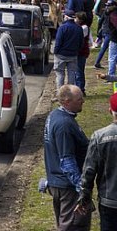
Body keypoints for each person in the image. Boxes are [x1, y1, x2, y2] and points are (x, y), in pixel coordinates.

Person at [44, 84, 90, 231]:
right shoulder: (64, 125)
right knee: (73, 226)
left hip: (57, 182)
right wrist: (81, 189)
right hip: (68, 187)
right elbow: (67, 160)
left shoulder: (55, 115)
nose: (82, 101)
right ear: (66, 102)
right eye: (79, 99)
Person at [77, 92, 117, 229]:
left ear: (110, 111)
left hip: (109, 199)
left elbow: (89, 171)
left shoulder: (99, 137)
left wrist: (84, 196)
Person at [53, 10, 83, 88]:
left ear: (66, 17)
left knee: (60, 74)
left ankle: (60, 93)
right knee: (72, 74)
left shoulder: (62, 28)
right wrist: (77, 51)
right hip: (73, 55)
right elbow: (81, 43)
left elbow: (58, 42)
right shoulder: (79, 28)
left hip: (61, 54)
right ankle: (71, 93)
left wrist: (55, 52)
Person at [94, 0, 116, 69]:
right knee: (105, 48)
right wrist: (98, 32)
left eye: (108, 6)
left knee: (107, 48)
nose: (107, 7)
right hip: (108, 32)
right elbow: (100, 22)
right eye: (106, 5)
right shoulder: (107, 12)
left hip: (108, 32)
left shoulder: (112, 13)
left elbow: (100, 22)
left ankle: (97, 62)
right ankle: (97, 62)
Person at [75, 12, 91, 93]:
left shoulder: (84, 28)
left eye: (76, 18)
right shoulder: (80, 27)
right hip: (78, 52)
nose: (75, 19)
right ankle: (77, 87)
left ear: (81, 20)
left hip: (82, 52)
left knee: (79, 71)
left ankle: (80, 89)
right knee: (76, 71)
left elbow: (79, 37)